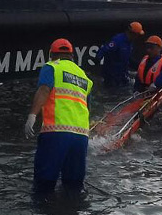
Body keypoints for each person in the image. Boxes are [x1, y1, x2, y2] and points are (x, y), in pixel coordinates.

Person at [23, 39, 93, 194]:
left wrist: (32, 115)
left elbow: (44, 90)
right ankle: (72, 214)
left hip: (56, 132)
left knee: (44, 183)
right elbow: (87, 107)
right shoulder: (84, 76)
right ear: (72, 56)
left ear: (52, 54)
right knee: (73, 185)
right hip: (81, 136)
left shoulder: (52, 67)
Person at [96, 21, 145, 87]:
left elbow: (128, 59)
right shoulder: (118, 40)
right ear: (133, 34)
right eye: (138, 35)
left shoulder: (129, 43)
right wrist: (98, 58)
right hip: (111, 75)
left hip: (122, 74)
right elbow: (104, 50)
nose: (138, 37)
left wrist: (140, 67)